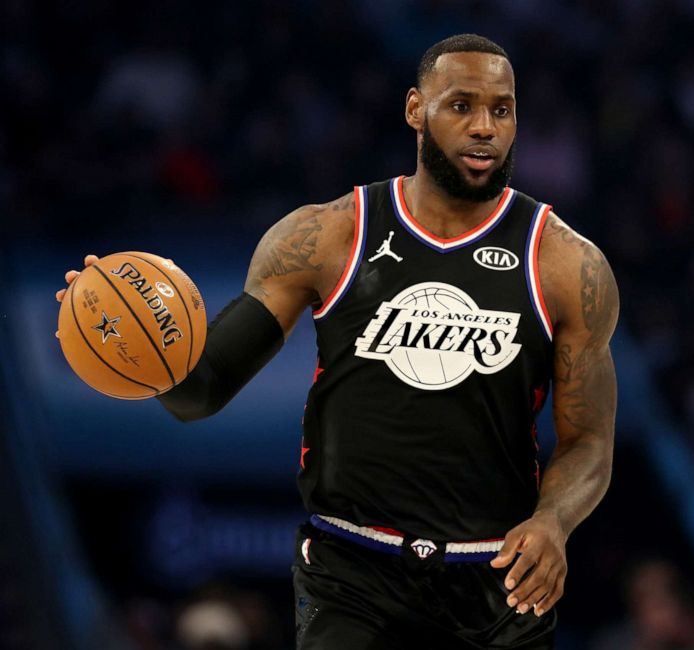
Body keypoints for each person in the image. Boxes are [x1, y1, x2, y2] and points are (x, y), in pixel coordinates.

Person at [57, 34, 617, 649]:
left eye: (501, 109)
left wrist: (553, 522)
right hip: (353, 571)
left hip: (497, 579)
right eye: (461, 105)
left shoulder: (566, 263)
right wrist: (123, 339)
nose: (484, 126)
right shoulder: (327, 236)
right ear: (414, 109)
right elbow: (201, 390)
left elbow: (587, 439)